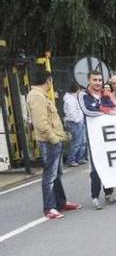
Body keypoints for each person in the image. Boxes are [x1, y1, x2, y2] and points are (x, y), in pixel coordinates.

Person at [27, 69, 80, 219]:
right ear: (48, 81)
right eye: (51, 81)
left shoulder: (40, 95)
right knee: (50, 176)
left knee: (56, 174)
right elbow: (41, 123)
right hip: (49, 141)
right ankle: (49, 208)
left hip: (53, 140)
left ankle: (61, 203)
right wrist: (54, 138)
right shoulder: (37, 96)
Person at [81, 70, 116, 208]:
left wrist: (104, 108)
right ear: (89, 81)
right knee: (95, 168)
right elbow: (87, 111)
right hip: (93, 136)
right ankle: (94, 196)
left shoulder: (105, 94)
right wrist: (105, 111)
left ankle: (109, 193)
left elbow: (113, 108)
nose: (98, 82)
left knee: (108, 164)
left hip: (107, 136)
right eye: (95, 80)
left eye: (100, 80)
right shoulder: (83, 95)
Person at [62, 82, 86, 167]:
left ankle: (79, 158)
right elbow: (71, 113)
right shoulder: (70, 100)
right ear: (77, 90)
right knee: (76, 141)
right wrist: (78, 120)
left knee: (82, 141)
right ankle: (71, 159)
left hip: (78, 122)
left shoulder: (73, 98)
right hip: (75, 122)